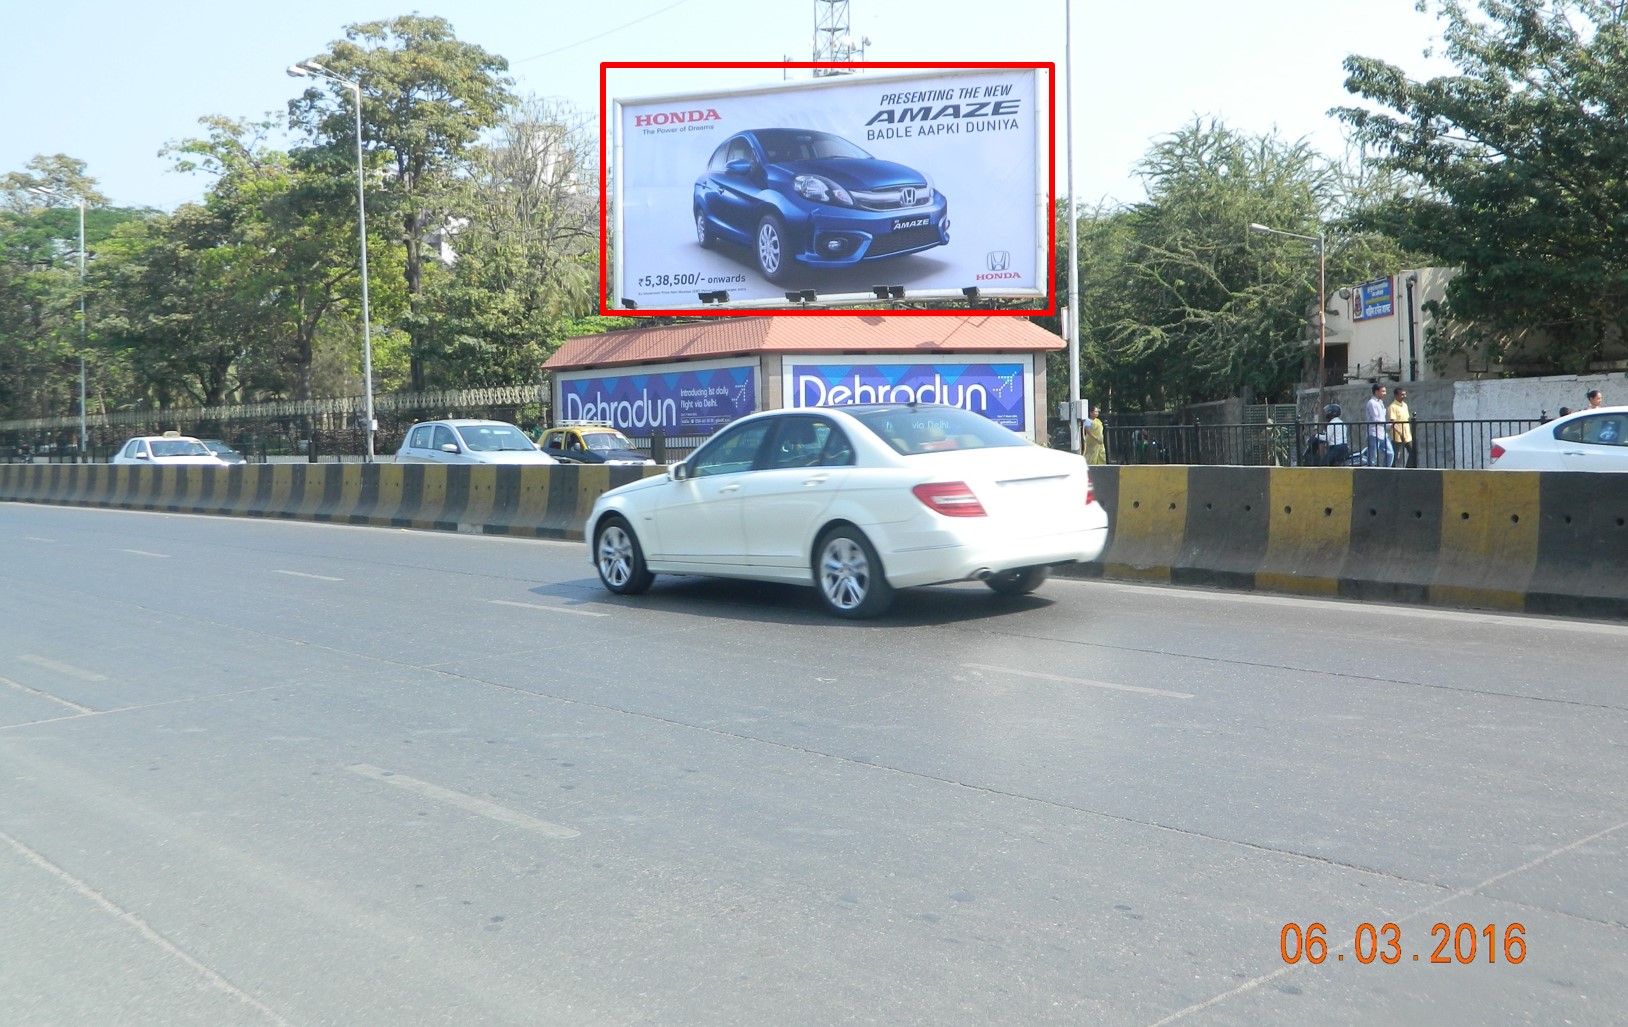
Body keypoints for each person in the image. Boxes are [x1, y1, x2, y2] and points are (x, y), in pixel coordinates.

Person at [1364, 382, 1394, 467]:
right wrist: (1388, 425)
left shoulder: (1380, 402)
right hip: (1374, 433)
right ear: (1376, 392)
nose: (1385, 393)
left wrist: (1388, 426)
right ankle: (1371, 473)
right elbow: (1375, 418)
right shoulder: (1372, 403)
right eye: (1383, 391)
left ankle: (1386, 471)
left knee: (1390, 453)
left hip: (1382, 432)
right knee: (1373, 456)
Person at [1388, 387, 1415, 468]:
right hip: (1397, 435)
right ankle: (1392, 471)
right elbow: (1393, 422)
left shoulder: (1405, 405)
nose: (1404, 396)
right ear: (1396, 395)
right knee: (1396, 455)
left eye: (1404, 394)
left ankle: (1409, 469)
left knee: (1412, 452)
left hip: (1407, 434)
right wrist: (1400, 433)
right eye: (1402, 394)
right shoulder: (1392, 407)